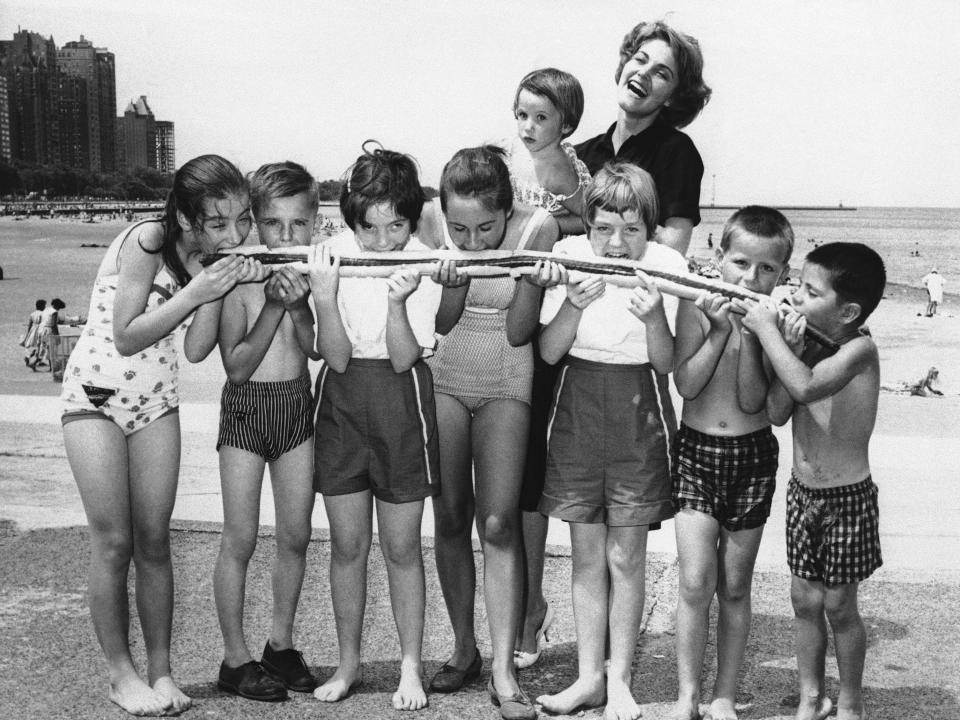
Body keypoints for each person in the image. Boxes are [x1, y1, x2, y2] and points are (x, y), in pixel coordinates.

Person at [59, 155, 266, 716]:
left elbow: (198, 345)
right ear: (184, 215)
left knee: (155, 542)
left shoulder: (211, 255)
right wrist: (200, 289)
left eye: (242, 218)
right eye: (218, 222)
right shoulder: (148, 240)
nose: (234, 232)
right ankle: (120, 675)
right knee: (114, 542)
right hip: (95, 399)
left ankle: (162, 671)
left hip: (156, 401)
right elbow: (126, 336)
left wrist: (221, 287)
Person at [535, 162, 685, 720]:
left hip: (639, 409)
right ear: (588, 225)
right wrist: (572, 302)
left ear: (650, 228)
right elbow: (550, 352)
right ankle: (586, 678)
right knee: (585, 557)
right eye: (603, 229)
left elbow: (667, 361)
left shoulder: (668, 266)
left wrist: (653, 321)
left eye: (631, 230)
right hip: (576, 406)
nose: (616, 243)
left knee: (627, 557)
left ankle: (619, 681)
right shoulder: (570, 256)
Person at [420, 145, 560, 720]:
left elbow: (522, 329)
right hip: (447, 373)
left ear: (508, 210)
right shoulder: (432, 221)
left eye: (485, 228)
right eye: (460, 231)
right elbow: (440, 322)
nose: (472, 242)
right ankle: (463, 649)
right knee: (451, 516)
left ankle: (504, 669)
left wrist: (533, 282)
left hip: (507, 374)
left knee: (499, 522)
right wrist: (452, 281)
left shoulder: (540, 226)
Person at [308, 144, 443, 711]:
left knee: (402, 545)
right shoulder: (330, 255)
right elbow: (333, 359)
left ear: (413, 219)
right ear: (350, 220)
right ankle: (348, 663)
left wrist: (396, 304)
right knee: (347, 544)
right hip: (342, 400)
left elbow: (402, 358)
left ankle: (410, 667)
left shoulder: (427, 260)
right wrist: (322, 294)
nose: (385, 240)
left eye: (397, 226)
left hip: (400, 396)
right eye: (370, 227)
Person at [741, 242, 886, 720]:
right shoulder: (808, 348)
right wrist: (791, 346)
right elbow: (779, 411)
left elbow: (805, 386)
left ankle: (850, 700)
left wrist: (767, 333)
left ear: (847, 311)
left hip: (847, 497)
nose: (795, 296)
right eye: (797, 286)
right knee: (804, 599)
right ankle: (810, 696)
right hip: (804, 493)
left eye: (809, 291)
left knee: (840, 605)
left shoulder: (859, 350)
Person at [669, 207, 794, 720]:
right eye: (740, 262)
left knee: (735, 587)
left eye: (767, 270)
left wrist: (754, 335)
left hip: (752, 456)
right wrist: (720, 332)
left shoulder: (775, 325)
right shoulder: (697, 308)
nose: (750, 278)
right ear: (718, 258)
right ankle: (685, 696)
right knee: (695, 582)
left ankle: (723, 694)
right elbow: (687, 384)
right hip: (697, 451)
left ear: (783, 276)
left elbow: (755, 404)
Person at [213, 161, 320, 702]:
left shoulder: (311, 271)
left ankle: (280, 645)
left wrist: (299, 305)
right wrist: (274, 305)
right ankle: (235, 659)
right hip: (247, 411)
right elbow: (235, 365)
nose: (285, 236)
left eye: (297, 224)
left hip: (296, 407)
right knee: (241, 537)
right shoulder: (240, 275)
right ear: (254, 220)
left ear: (314, 223)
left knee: (296, 536)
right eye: (273, 223)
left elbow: (317, 349)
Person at [500, 67, 590, 670]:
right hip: (503, 327)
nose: (529, 128)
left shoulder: (581, 177)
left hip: (554, 336)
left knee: (540, 480)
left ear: (567, 123)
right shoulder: (508, 167)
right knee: (511, 484)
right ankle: (524, 605)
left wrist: (553, 228)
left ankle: (534, 604)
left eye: (541, 117)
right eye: (522, 114)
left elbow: (597, 228)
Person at [574, 19, 712, 254]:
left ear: (673, 97)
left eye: (662, 73)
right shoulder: (579, 154)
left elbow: (673, 249)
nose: (643, 73)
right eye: (640, 59)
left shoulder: (678, 152)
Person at [22, 299, 46, 369]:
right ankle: (37, 360)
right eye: (44, 305)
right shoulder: (43, 314)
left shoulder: (32, 314)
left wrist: (28, 334)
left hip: (33, 330)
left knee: (35, 345)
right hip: (40, 330)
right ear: (42, 306)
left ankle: (29, 357)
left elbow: (30, 325)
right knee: (41, 345)